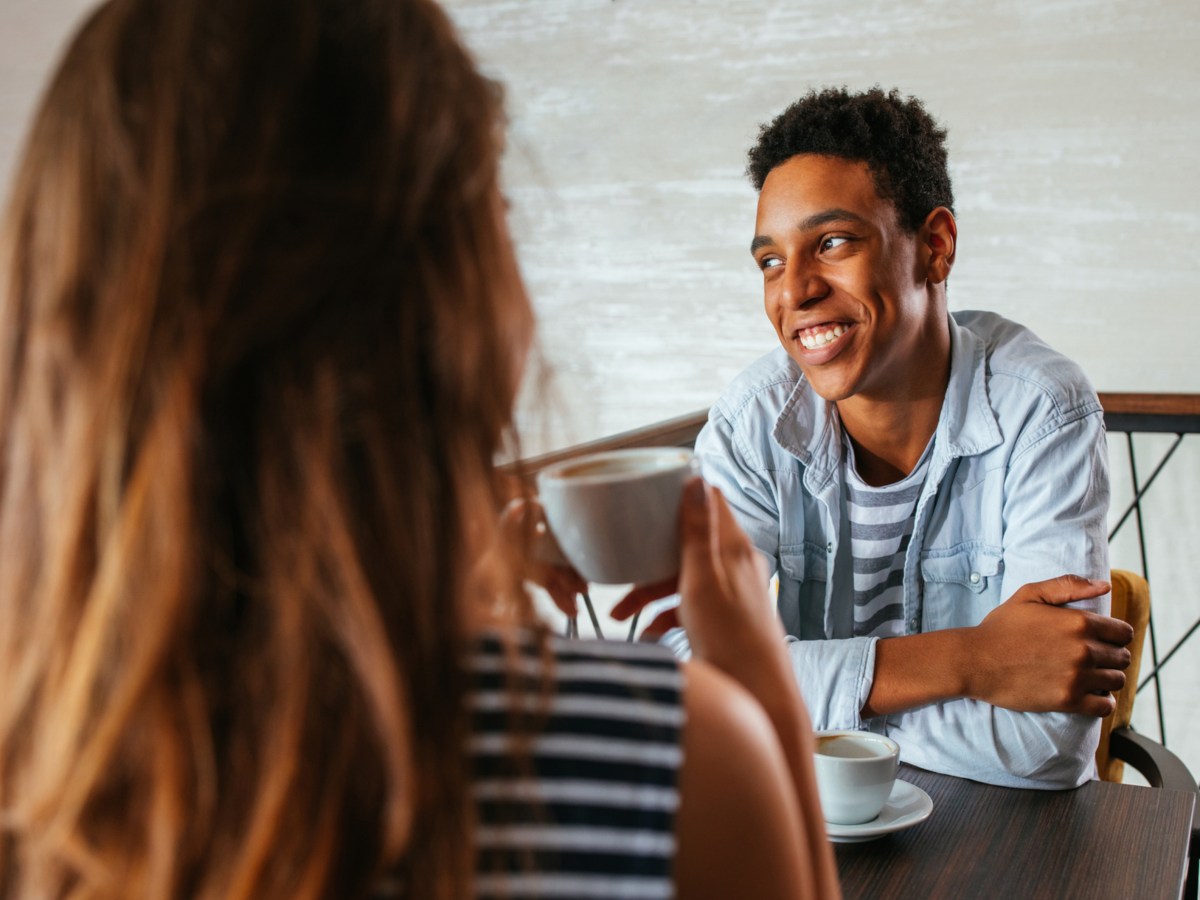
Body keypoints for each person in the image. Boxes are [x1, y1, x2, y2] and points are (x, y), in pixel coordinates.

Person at [0, 1, 841, 898]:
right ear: (462, 310)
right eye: (500, 216)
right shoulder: (671, 762)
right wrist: (764, 692)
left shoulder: (38, 765)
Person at [625, 87, 1133, 790]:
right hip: (822, 829)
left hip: (994, 837)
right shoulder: (752, 423)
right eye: (770, 261)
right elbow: (677, 679)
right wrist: (971, 662)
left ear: (935, 246)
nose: (793, 291)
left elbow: (1046, 745)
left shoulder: (1041, 408)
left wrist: (790, 706)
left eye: (833, 243)